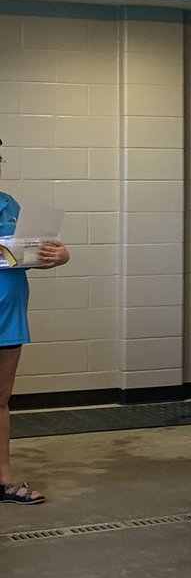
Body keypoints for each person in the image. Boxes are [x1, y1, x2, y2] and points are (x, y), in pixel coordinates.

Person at [0, 156, 70, 506]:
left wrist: (58, 255)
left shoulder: (10, 205)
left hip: (9, 315)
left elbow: (26, 254)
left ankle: (3, 481)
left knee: (0, 401)